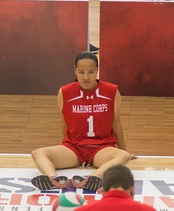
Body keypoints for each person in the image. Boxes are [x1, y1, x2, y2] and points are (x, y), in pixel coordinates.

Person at [31, 52, 132, 193]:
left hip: (101, 148)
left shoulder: (111, 91)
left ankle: (91, 179)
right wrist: (65, 147)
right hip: (74, 148)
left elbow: (116, 124)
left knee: (124, 156)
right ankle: (53, 179)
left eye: (91, 72)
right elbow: (64, 123)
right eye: (81, 72)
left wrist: (124, 151)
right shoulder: (64, 92)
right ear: (75, 70)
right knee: (38, 153)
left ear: (97, 70)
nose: (86, 77)